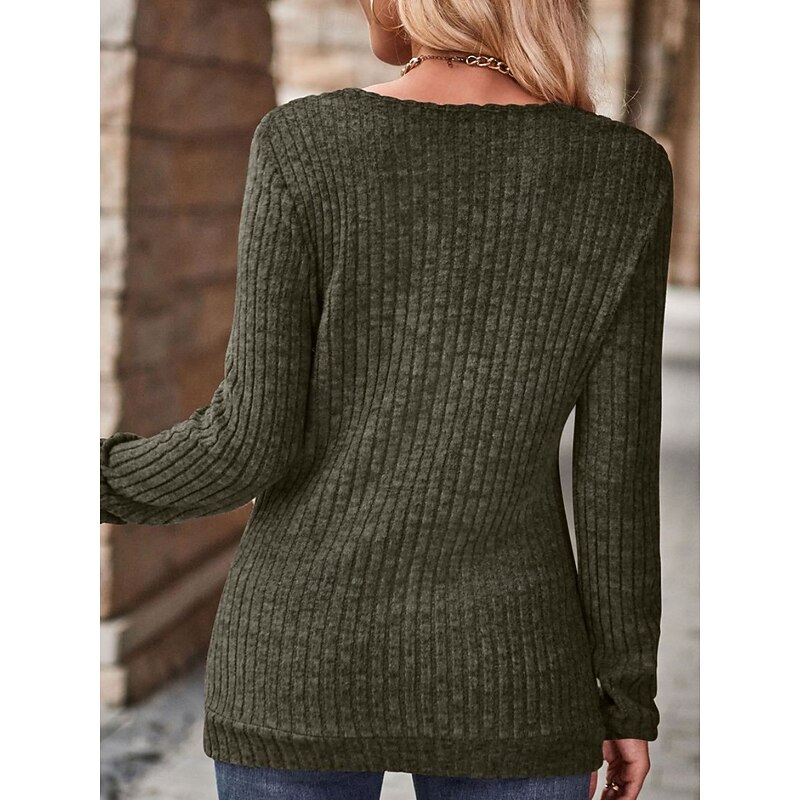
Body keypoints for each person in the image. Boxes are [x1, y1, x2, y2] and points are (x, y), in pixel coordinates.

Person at [100, 0, 674, 798]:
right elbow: (616, 478)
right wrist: (626, 695)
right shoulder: (623, 172)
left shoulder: (305, 143)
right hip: (513, 668)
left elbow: (245, 444)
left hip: (298, 657)